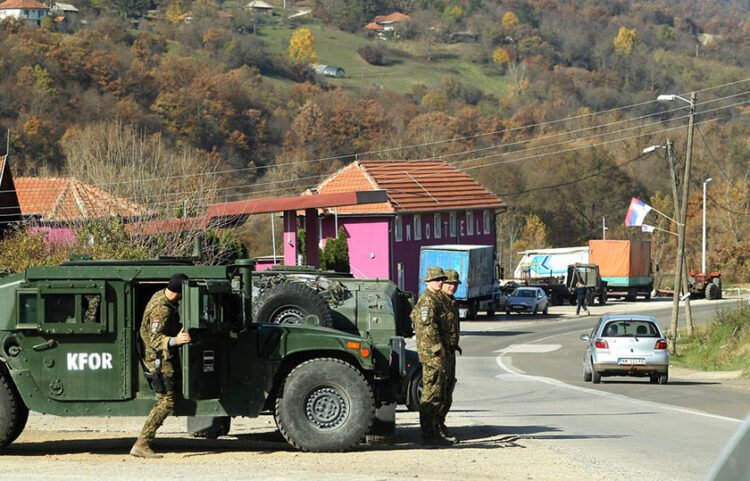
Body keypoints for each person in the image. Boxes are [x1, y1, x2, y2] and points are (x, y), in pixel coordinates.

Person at [130, 273, 191, 459]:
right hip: (158, 357)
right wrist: (176, 340)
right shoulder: (161, 309)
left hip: (161, 355)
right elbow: (156, 339)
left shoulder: (161, 295)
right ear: (179, 292)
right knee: (166, 401)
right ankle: (142, 443)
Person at [410, 266, 453, 446]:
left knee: (439, 392)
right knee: (431, 394)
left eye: (441, 279)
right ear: (428, 281)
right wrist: (438, 348)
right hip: (432, 355)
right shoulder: (427, 301)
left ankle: (435, 431)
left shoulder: (436, 299)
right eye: (436, 279)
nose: (440, 282)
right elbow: (427, 328)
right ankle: (428, 435)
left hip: (437, 353)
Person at [439, 269, 462, 443]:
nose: (452, 287)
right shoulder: (437, 302)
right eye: (449, 283)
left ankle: (441, 425)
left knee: (448, 391)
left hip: (450, 351)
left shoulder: (452, 303)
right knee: (437, 393)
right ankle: (434, 430)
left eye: (454, 284)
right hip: (439, 353)